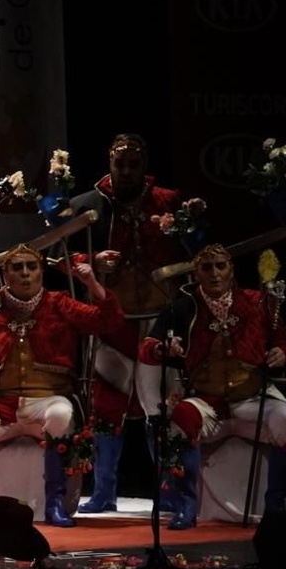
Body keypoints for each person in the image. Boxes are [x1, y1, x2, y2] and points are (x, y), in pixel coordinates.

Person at [0, 245, 124, 527]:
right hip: (2, 404)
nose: (26, 274)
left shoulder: (60, 304)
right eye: (18, 268)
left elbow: (108, 320)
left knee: (61, 415)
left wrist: (91, 282)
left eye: (32, 267)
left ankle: (54, 504)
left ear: (42, 271)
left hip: (48, 400)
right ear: (5, 275)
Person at [139, 243, 286, 528]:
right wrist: (163, 349)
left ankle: (275, 506)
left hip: (251, 397)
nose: (214, 273)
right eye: (206, 267)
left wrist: (282, 354)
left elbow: (285, 344)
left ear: (232, 269)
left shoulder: (258, 302)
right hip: (207, 402)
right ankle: (186, 506)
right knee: (181, 418)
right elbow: (148, 347)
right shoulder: (182, 307)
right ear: (196, 274)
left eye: (220, 266)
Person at [69, 133, 190, 512]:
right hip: (113, 319)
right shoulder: (89, 205)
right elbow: (61, 257)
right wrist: (88, 261)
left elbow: (196, 250)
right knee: (106, 404)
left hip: (158, 317)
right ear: (108, 161)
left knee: (165, 405)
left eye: (133, 164)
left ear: (145, 164)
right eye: (119, 163)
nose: (125, 171)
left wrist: (191, 225)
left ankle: (170, 491)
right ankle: (104, 492)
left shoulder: (169, 201)